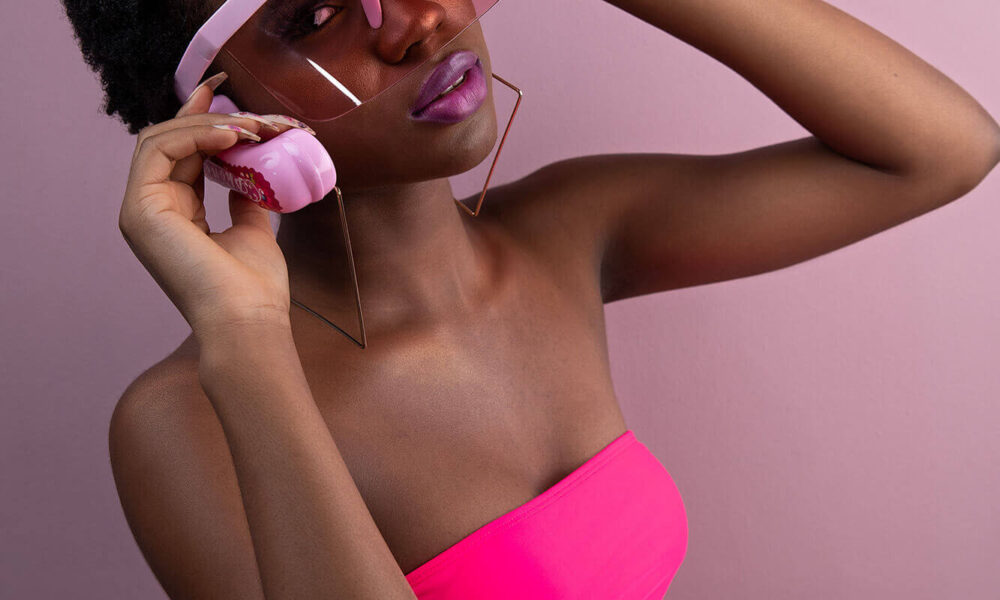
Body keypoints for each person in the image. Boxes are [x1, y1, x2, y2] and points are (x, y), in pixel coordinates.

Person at [61, 0, 1000, 598]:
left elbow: (941, 151)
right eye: (314, 16)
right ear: (219, 121)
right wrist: (248, 341)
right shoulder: (190, 418)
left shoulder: (567, 231)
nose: (419, 21)